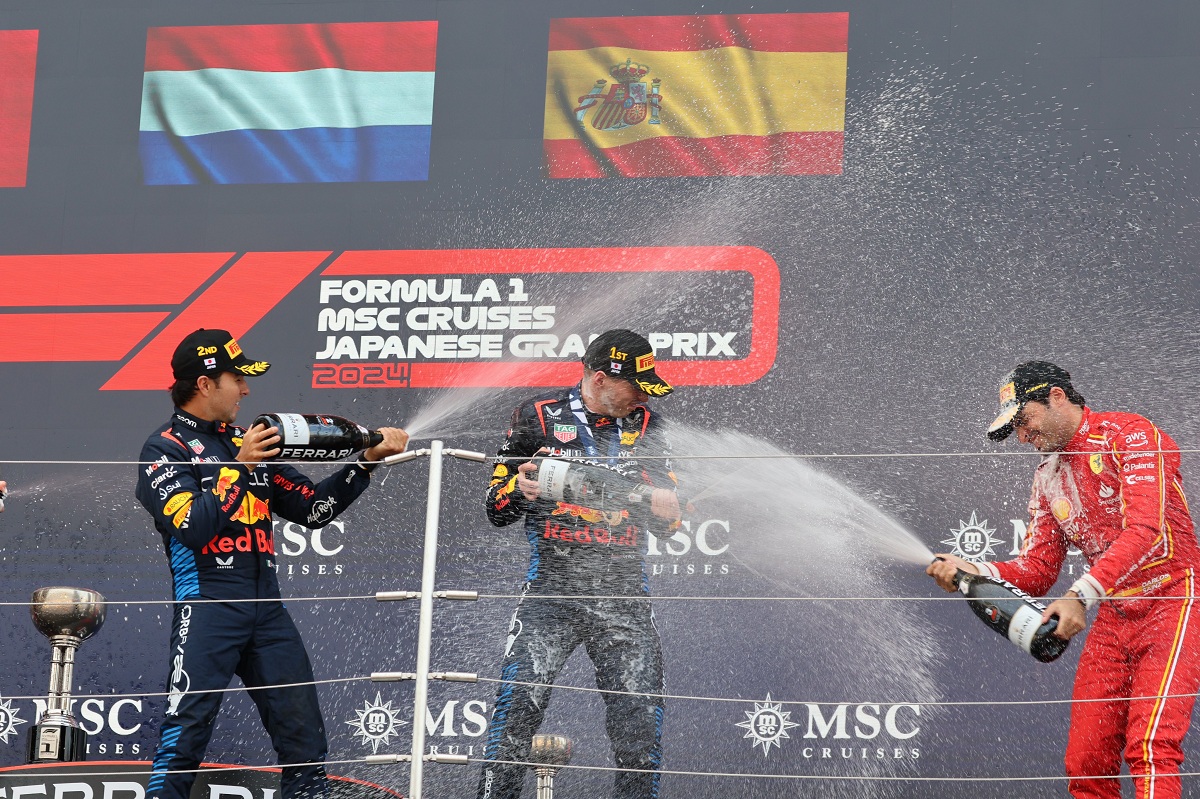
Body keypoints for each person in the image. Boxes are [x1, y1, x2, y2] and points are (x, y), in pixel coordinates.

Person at [135, 328, 408, 799]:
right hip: (209, 608)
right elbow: (193, 528)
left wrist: (365, 462)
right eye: (236, 379)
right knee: (184, 741)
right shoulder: (164, 450)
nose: (245, 390)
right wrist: (238, 468)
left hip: (268, 612)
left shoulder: (250, 442)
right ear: (204, 384)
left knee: (305, 743)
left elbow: (312, 510)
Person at [928, 361, 1200, 798]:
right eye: (1014, 428)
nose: (1022, 436)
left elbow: (1146, 531)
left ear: (1057, 397)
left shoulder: (1130, 434)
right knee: (1086, 762)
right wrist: (973, 570)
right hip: (1115, 614)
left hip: (1174, 600)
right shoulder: (1046, 477)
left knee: (1151, 746)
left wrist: (1080, 594)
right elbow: (1036, 571)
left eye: (1025, 420)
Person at [477, 330, 682, 799]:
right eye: (637, 386)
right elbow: (495, 507)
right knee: (515, 717)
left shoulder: (651, 426)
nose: (642, 398)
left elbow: (669, 522)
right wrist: (520, 491)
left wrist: (664, 507)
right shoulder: (536, 416)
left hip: (624, 595)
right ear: (601, 378)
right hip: (552, 588)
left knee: (639, 732)